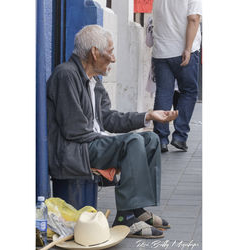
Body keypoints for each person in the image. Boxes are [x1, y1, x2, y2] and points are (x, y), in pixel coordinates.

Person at [47, 25, 178, 238]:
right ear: (94, 53)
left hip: (91, 143)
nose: (114, 58)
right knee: (132, 142)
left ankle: (138, 208)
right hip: (75, 150)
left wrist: (148, 115)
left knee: (150, 139)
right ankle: (125, 218)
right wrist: (114, 141)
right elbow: (74, 130)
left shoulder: (93, 82)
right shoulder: (66, 76)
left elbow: (108, 118)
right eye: (111, 51)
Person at [152, 0, 202, 152]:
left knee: (163, 93)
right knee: (189, 92)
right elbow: (193, 19)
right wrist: (187, 49)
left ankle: (160, 138)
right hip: (183, 51)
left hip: (161, 52)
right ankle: (179, 137)